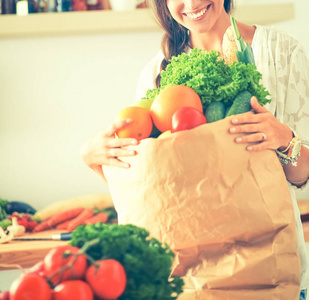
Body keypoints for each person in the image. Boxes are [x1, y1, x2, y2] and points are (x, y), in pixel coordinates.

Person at [80, 0, 309, 298]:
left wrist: (285, 138)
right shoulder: (155, 75)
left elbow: (302, 174)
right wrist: (95, 157)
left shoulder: (282, 53)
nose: (192, 3)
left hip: (269, 259)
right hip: (191, 272)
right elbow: (150, 186)